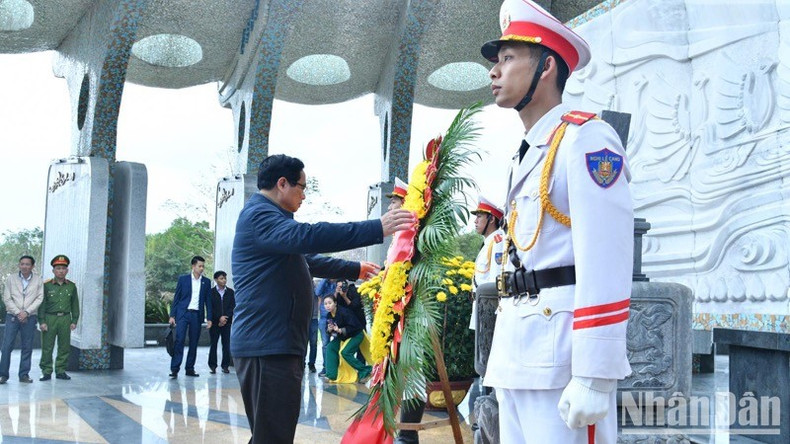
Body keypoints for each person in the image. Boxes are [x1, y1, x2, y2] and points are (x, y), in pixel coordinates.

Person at [481, 1, 633, 442]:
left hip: (564, 360)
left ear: (546, 67)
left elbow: (607, 257)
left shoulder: (586, 138)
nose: (495, 71)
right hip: (518, 354)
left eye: (508, 59)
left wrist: (595, 374)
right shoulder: (527, 151)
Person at [230, 153, 414, 444]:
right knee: (272, 437)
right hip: (267, 345)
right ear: (282, 183)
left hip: (275, 342)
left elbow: (308, 260)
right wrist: (375, 228)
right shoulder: (260, 216)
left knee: (272, 435)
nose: (304, 194)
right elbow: (310, 236)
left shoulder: (271, 220)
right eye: (302, 187)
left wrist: (356, 268)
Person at [0, 255, 44, 384]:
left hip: (30, 317)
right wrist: (19, 312)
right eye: (22, 264)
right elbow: (7, 298)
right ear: (19, 265)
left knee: (27, 346)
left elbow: (39, 298)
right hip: (12, 316)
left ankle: (24, 374)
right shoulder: (11, 279)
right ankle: (3, 375)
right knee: (7, 346)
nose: (24, 266)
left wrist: (27, 312)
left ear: (32, 266)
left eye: (27, 264)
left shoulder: (38, 280)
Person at [168, 256, 212, 379]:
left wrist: (209, 318)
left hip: (197, 316)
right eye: (200, 266)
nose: (202, 268)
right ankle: (175, 368)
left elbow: (208, 301)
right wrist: (172, 315)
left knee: (194, 342)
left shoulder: (206, 282)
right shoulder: (183, 279)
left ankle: (190, 368)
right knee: (179, 340)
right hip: (183, 314)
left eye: (203, 266)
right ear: (193, 266)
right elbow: (176, 298)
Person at [38, 255, 79, 381]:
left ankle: (60, 370)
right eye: (58, 268)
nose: (61, 271)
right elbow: (42, 305)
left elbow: (75, 305)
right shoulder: (47, 285)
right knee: (47, 346)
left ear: (67, 271)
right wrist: (42, 321)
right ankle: (46, 371)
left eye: (63, 268)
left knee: (64, 346)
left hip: (65, 319)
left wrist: (74, 320)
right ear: (53, 271)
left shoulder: (71, 286)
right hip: (50, 318)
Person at [469, 196, 505, 331]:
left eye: (479, 216)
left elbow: (496, 283)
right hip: (480, 305)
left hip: (489, 308)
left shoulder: (497, 241)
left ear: (491, 219)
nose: (475, 221)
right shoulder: (487, 244)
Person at [322, 295, 371, 383]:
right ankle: (332, 375)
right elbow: (330, 331)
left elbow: (355, 326)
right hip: (343, 337)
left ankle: (366, 370)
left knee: (345, 352)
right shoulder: (329, 315)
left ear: (335, 303)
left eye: (330, 303)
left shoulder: (344, 312)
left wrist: (340, 330)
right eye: (325, 304)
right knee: (330, 347)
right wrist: (329, 330)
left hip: (356, 335)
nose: (327, 306)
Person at [208, 270, 235, 374]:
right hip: (215, 323)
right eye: (221, 278)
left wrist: (225, 318)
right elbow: (211, 308)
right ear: (216, 280)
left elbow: (232, 307)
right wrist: (218, 318)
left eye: (225, 278)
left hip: (227, 323)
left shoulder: (230, 292)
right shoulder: (211, 292)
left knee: (226, 344)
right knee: (213, 344)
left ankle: (225, 366)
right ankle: (213, 366)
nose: (224, 280)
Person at [315, 277, 336, 377]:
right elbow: (317, 292)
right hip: (324, 318)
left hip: (336, 316)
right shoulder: (325, 283)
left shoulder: (338, 283)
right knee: (325, 344)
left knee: (337, 343)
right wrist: (326, 277)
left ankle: (336, 367)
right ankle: (325, 367)